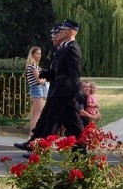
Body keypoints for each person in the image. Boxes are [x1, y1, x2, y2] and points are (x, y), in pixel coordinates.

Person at [15, 19, 84, 151]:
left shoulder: (72, 48)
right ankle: (81, 148)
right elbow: (59, 70)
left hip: (65, 89)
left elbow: (74, 72)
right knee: (72, 121)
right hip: (60, 88)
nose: (61, 32)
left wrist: (76, 90)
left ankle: (39, 148)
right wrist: (46, 73)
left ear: (70, 31)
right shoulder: (65, 47)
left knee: (51, 118)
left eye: (64, 30)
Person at [25, 46, 47, 134]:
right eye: (37, 54)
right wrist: (46, 79)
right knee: (38, 113)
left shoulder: (31, 66)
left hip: (35, 88)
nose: (39, 56)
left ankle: (32, 132)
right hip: (37, 88)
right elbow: (39, 80)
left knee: (36, 113)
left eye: (40, 54)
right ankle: (32, 133)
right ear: (32, 54)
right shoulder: (33, 66)